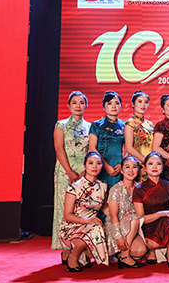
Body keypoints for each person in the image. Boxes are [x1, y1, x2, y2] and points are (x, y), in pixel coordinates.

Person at [52, 91, 91, 263]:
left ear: (86, 106)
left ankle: (80, 247)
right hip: (65, 171)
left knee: (81, 209)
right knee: (64, 209)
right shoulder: (61, 125)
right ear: (68, 105)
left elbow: (91, 151)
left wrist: (85, 172)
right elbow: (59, 149)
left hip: (84, 172)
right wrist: (69, 171)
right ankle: (66, 248)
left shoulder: (89, 126)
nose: (78, 106)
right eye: (74, 102)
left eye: (81, 103)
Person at [60, 151, 109, 272]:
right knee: (95, 227)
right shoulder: (74, 187)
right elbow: (67, 215)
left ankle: (85, 256)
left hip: (92, 225)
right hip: (72, 226)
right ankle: (73, 257)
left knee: (102, 228)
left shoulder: (103, 187)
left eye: (98, 163)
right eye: (91, 163)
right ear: (84, 166)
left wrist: (117, 219)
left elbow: (104, 208)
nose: (94, 166)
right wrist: (88, 220)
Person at [133, 152, 169, 265]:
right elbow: (141, 218)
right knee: (152, 243)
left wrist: (166, 214)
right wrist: (160, 213)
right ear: (145, 168)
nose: (154, 167)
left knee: (168, 220)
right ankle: (151, 251)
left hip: (168, 223)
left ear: (162, 168)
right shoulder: (139, 189)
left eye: (158, 164)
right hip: (149, 224)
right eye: (150, 164)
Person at [105, 156, 146, 268]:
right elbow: (113, 217)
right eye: (127, 167)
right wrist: (118, 237)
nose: (131, 170)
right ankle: (124, 256)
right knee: (134, 219)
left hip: (133, 228)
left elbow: (141, 213)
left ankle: (120, 254)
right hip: (116, 227)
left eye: (134, 167)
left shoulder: (139, 188)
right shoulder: (115, 189)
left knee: (140, 251)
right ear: (122, 171)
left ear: (138, 170)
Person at [89, 91, 125, 188]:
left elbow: (128, 148)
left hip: (119, 168)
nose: (113, 106)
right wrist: (106, 166)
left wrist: (122, 164)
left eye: (117, 103)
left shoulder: (125, 125)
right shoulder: (96, 125)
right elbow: (92, 148)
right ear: (104, 107)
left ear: (121, 106)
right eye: (109, 103)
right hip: (101, 166)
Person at [124, 91, 154, 182]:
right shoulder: (130, 123)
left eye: (146, 102)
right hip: (137, 164)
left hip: (151, 164)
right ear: (133, 104)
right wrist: (145, 160)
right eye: (140, 102)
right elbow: (129, 148)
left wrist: (151, 162)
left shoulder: (150, 124)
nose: (143, 105)